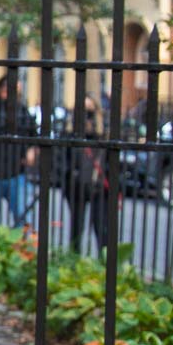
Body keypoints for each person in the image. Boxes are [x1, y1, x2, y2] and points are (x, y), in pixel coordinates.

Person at [0, 73, 38, 226]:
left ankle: (23, 248)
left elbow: (34, 136)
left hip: (16, 171)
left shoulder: (22, 110)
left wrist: (31, 150)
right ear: (2, 88)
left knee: (22, 215)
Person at [62, 95, 108, 252]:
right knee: (77, 228)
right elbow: (62, 161)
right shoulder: (69, 135)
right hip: (76, 188)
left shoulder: (102, 135)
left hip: (98, 188)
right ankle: (73, 263)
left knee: (101, 228)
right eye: (83, 111)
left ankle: (105, 264)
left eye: (90, 111)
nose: (87, 116)